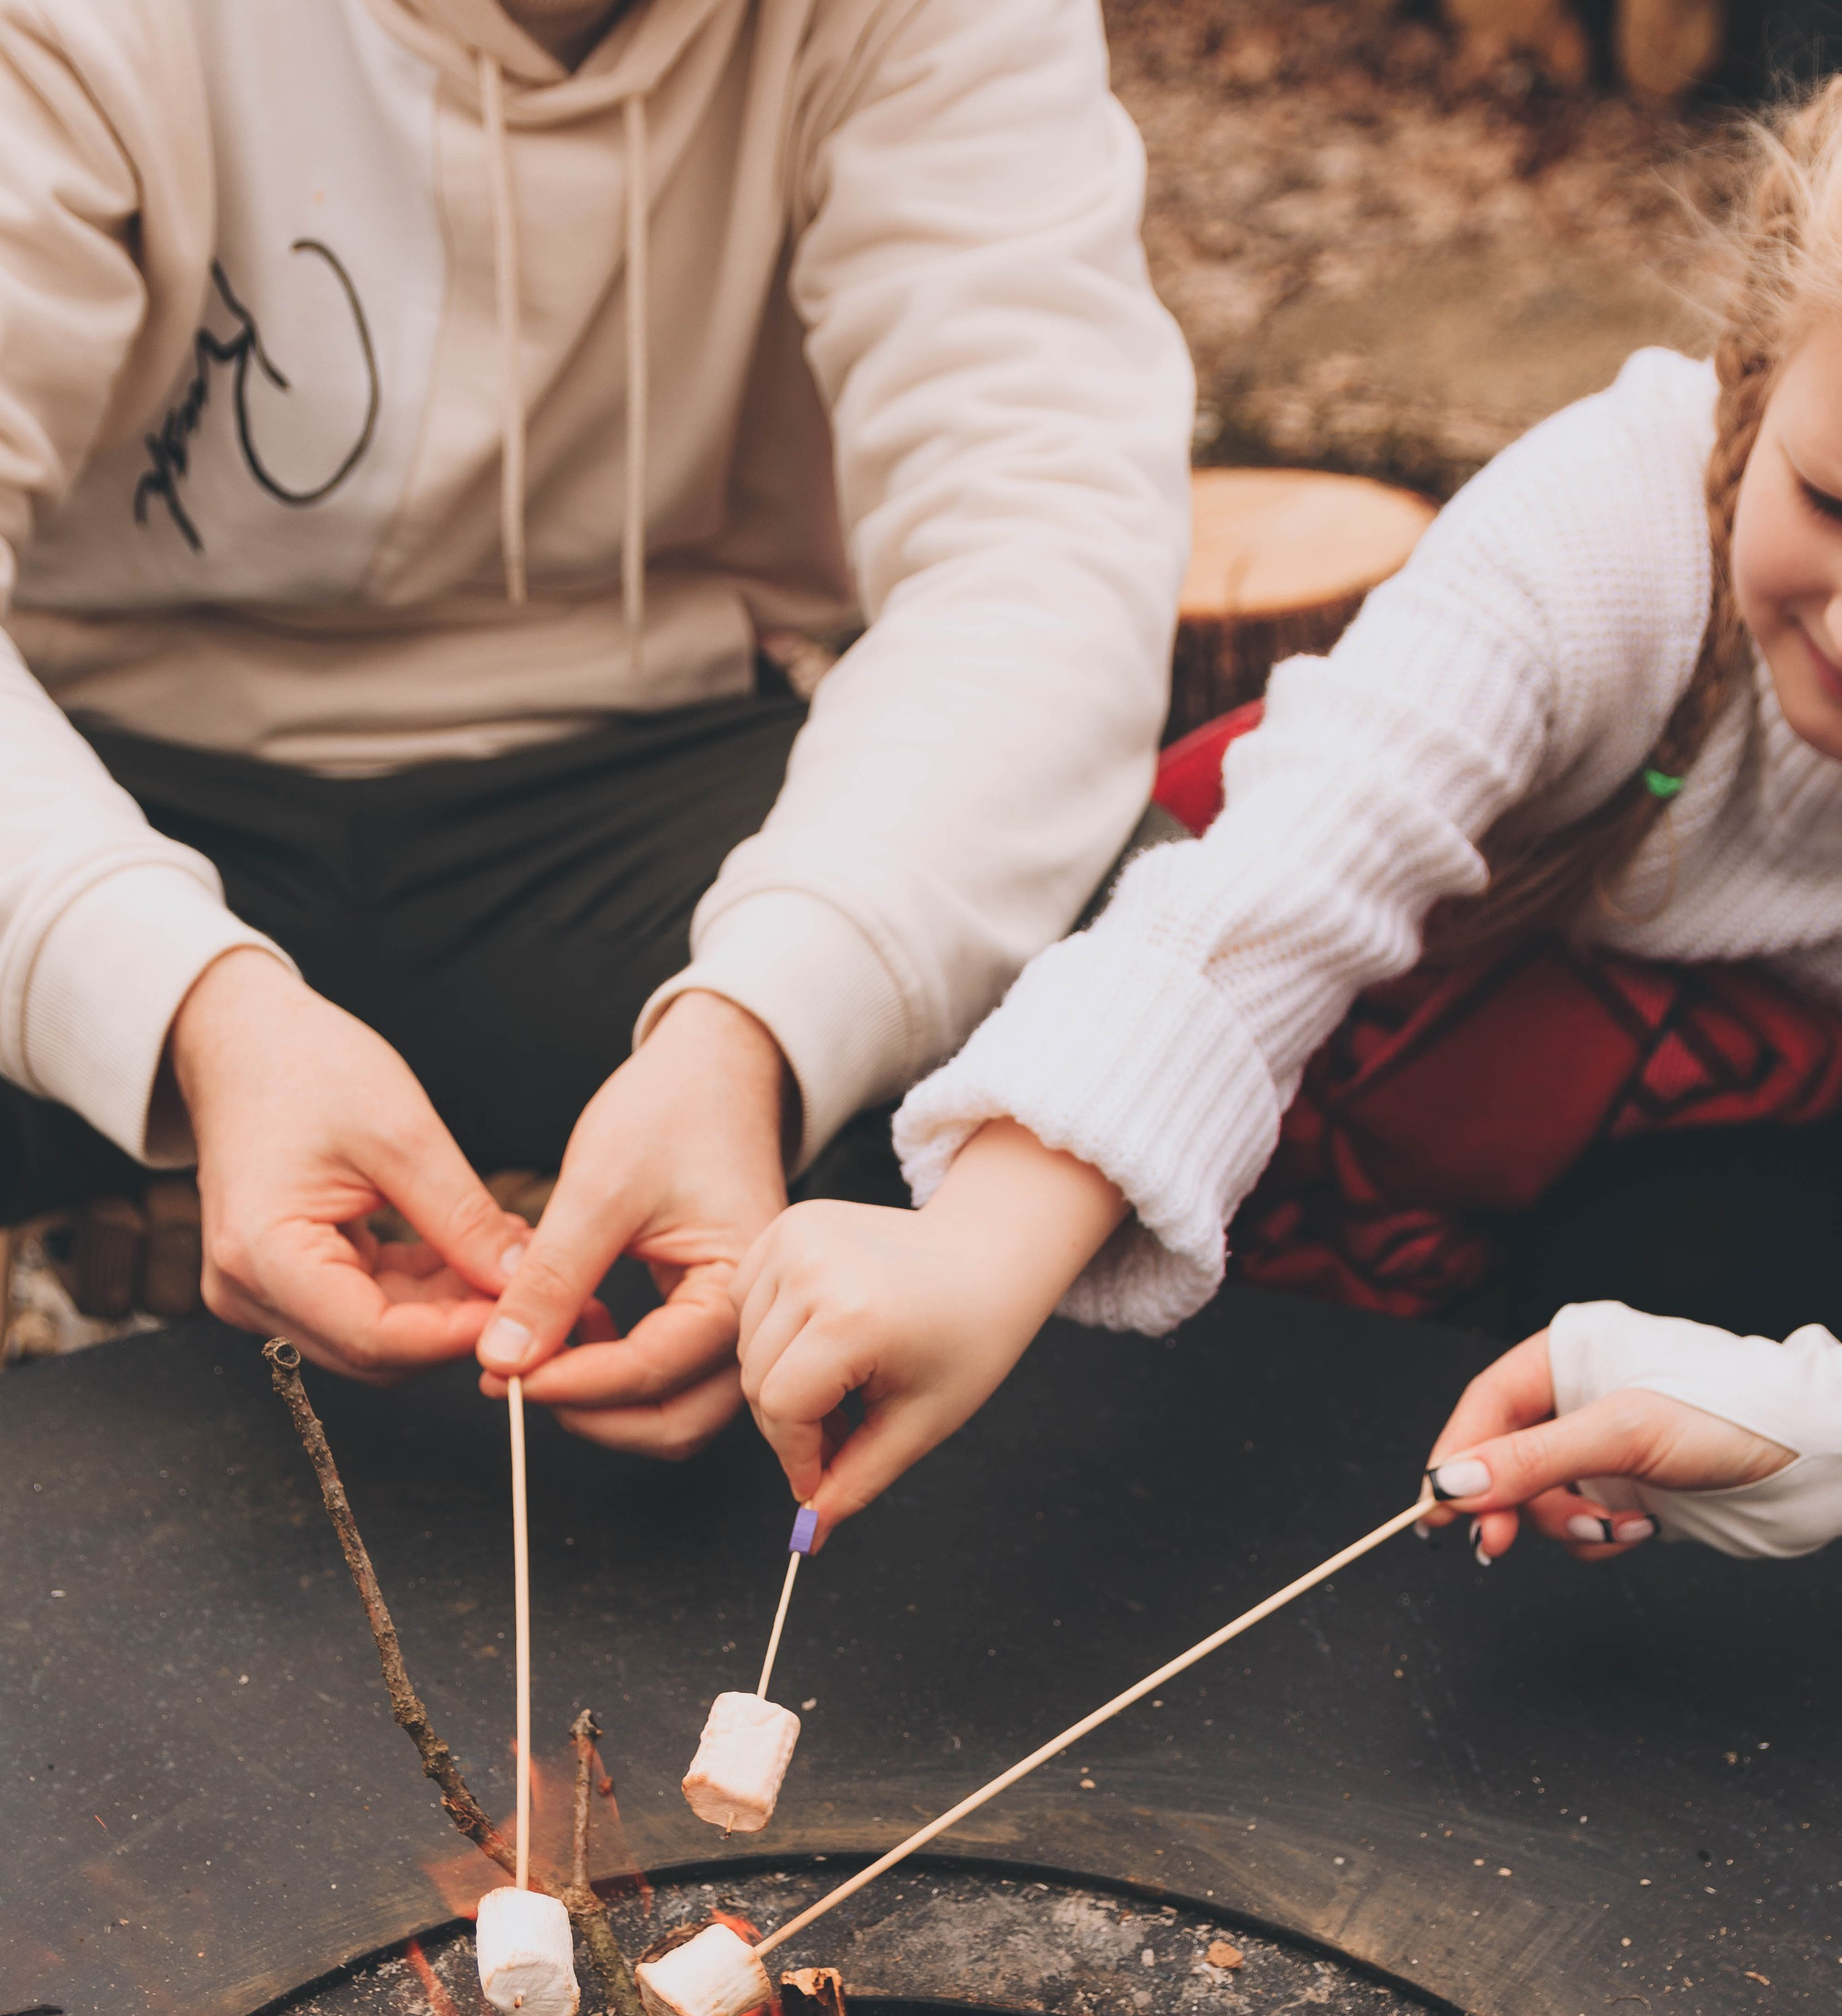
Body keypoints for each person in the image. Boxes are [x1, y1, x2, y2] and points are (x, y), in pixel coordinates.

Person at [0, 0, 1192, 1446]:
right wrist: (175, 998)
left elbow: (1036, 541)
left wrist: (757, 1029)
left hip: (634, 770)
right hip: (102, 751)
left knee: (1127, 948)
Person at [730, 76, 1842, 1556]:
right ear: (1756, 376)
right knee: (1042, 1005)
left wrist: (1810, 1432)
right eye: (1831, 502)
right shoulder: (1605, 525)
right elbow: (1288, 870)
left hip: (1697, 1127)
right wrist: (977, 1254)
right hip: (1394, 1028)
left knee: (1699, 1263)